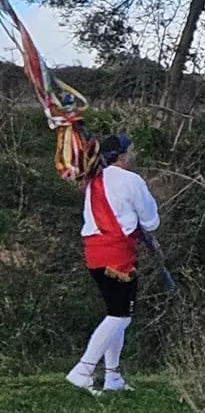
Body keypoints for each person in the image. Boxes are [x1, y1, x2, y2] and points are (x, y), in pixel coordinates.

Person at [64, 134, 160, 393]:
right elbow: (150, 221)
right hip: (117, 254)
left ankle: (113, 376)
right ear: (123, 155)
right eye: (131, 150)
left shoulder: (94, 179)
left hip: (94, 254)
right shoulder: (131, 180)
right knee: (120, 316)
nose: (134, 154)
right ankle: (83, 369)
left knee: (115, 314)